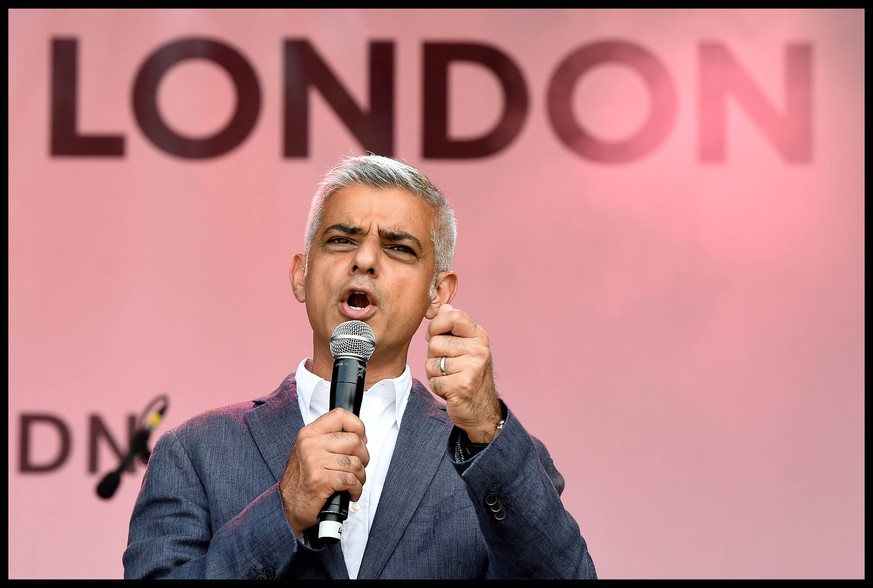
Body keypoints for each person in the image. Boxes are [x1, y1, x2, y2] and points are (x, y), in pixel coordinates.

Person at [122, 153, 597, 579]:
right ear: (301, 274)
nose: (365, 259)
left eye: (398, 248)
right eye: (341, 240)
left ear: (440, 292)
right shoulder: (197, 453)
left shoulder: (496, 457)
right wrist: (283, 512)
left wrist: (488, 428)